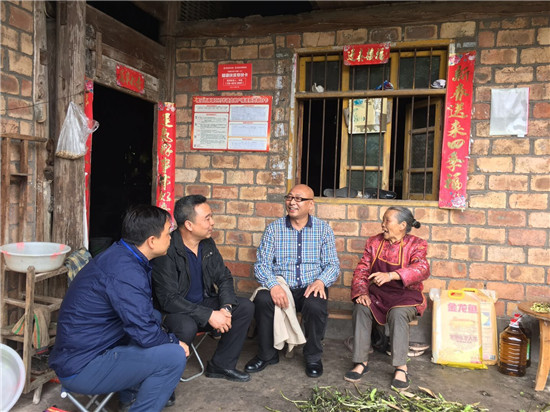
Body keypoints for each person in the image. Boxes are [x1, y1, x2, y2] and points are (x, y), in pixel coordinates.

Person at [49, 205, 189, 412]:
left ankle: (128, 396)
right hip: (82, 367)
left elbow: (142, 320)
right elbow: (145, 333)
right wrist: (174, 342)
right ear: (151, 241)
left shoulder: (122, 255)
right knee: (174, 356)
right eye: (168, 233)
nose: (171, 237)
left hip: (84, 351)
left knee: (153, 315)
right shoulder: (126, 272)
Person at [152, 195, 254, 382]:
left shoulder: (207, 244)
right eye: (207, 218)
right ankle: (164, 380)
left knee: (244, 307)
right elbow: (168, 299)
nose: (212, 222)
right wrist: (208, 315)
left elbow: (223, 277)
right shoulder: (167, 248)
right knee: (186, 326)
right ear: (189, 225)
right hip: (174, 312)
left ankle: (221, 365)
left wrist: (225, 308)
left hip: (202, 304)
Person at [245, 184, 340, 378]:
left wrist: (321, 281)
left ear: (311, 205)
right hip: (282, 285)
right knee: (262, 300)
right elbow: (261, 265)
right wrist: (273, 285)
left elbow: (333, 265)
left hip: (310, 286)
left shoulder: (323, 230)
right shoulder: (274, 229)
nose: (292, 202)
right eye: (289, 198)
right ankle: (267, 354)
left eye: (299, 199)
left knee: (316, 305)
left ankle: (313, 357)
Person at [344, 206, 430, 391]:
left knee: (398, 314)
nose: (383, 225)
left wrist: (392, 275)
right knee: (361, 307)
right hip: (379, 295)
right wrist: (361, 292)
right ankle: (361, 362)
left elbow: (422, 269)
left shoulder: (417, 244)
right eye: (383, 220)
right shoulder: (374, 242)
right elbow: (362, 270)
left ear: (402, 225)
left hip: (406, 296)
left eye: (387, 221)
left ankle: (401, 367)